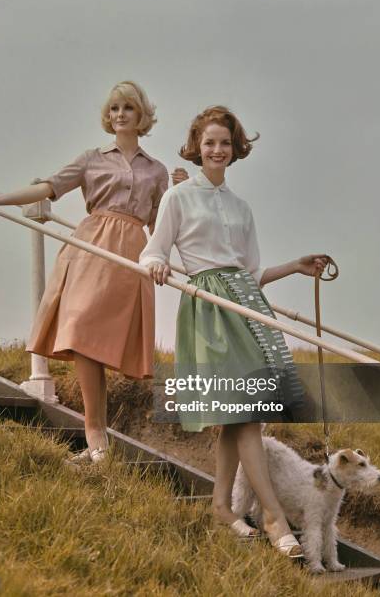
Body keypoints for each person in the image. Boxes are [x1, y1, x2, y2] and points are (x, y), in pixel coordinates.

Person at [140, 105, 330, 558]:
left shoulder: (242, 207)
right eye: (209, 143)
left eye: (225, 142)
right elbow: (151, 252)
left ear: (235, 148)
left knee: (244, 412)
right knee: (243, 410)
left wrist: (296, 267)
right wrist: (159, 265)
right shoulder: (178, 197)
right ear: (196, 147)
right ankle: (273, 517)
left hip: (247, 303)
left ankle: (222, 506)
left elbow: (251, 271)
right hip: (209, 309)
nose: (217, 150)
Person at [0, 80, 174, 463]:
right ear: (108, 117)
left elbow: (162, 226)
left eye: (128, 107)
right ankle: (97, 442)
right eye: (114, 109)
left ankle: (98, 443)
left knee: (101, 341)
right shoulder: (92, 158)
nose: (120, 114)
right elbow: (47, 187)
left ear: (141, 115)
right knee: (78, 330)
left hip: (130, 256)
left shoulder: (157, 171)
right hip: (90, 247)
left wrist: (179, 211)